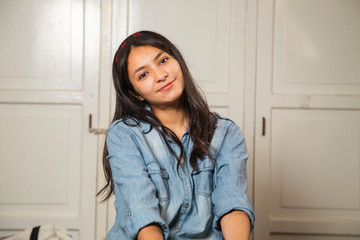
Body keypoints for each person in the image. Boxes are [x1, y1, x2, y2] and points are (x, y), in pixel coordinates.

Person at [98, 30, 255, 240]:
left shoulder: (226, 133)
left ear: (177, 61)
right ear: (134, 93)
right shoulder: (124, 135)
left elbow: (232, 203)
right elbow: (143, 216)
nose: (160, 75)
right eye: (143, 74)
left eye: (163, 61)